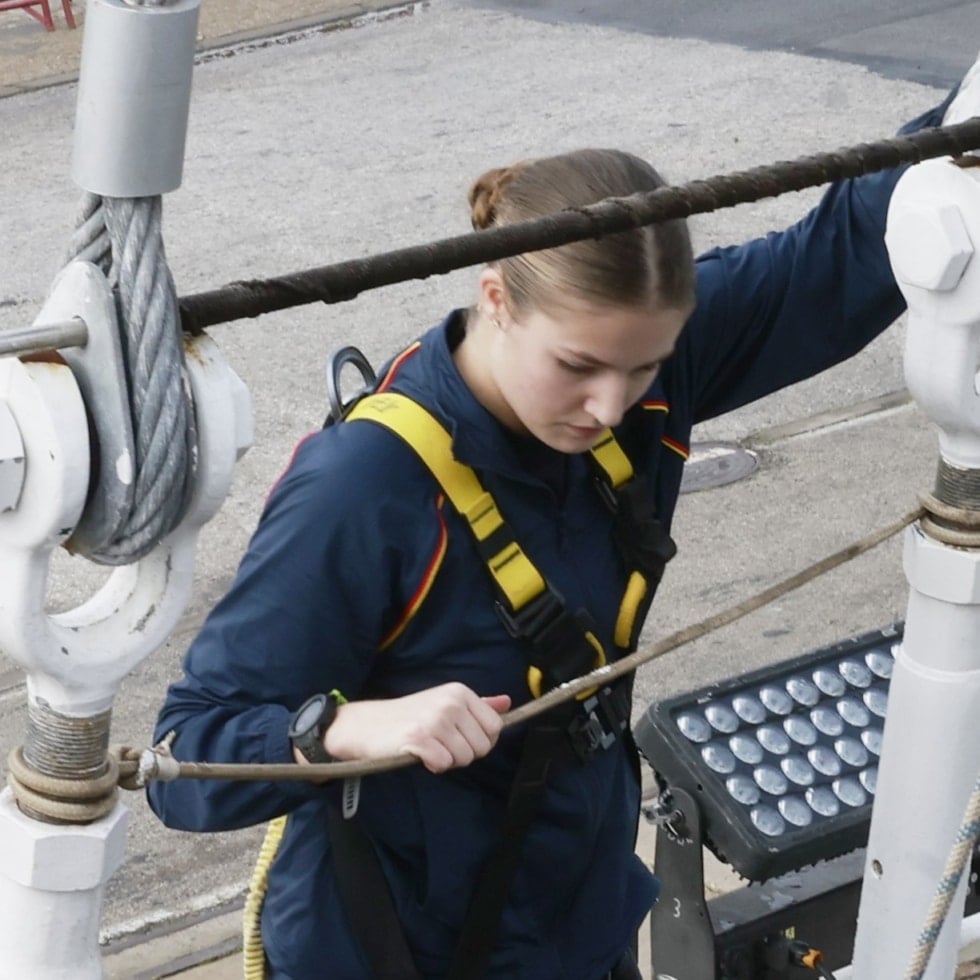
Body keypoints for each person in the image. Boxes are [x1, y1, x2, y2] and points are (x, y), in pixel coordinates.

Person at [148, 77, 967, 979]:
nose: (611, 406)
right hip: (405, 953)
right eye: (577, 366)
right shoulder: (365, 488)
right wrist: (345, 730)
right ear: (495, 298)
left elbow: (840, 255)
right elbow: (189, 755)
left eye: (643, 364)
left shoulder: (642, 372)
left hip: (580, 919)